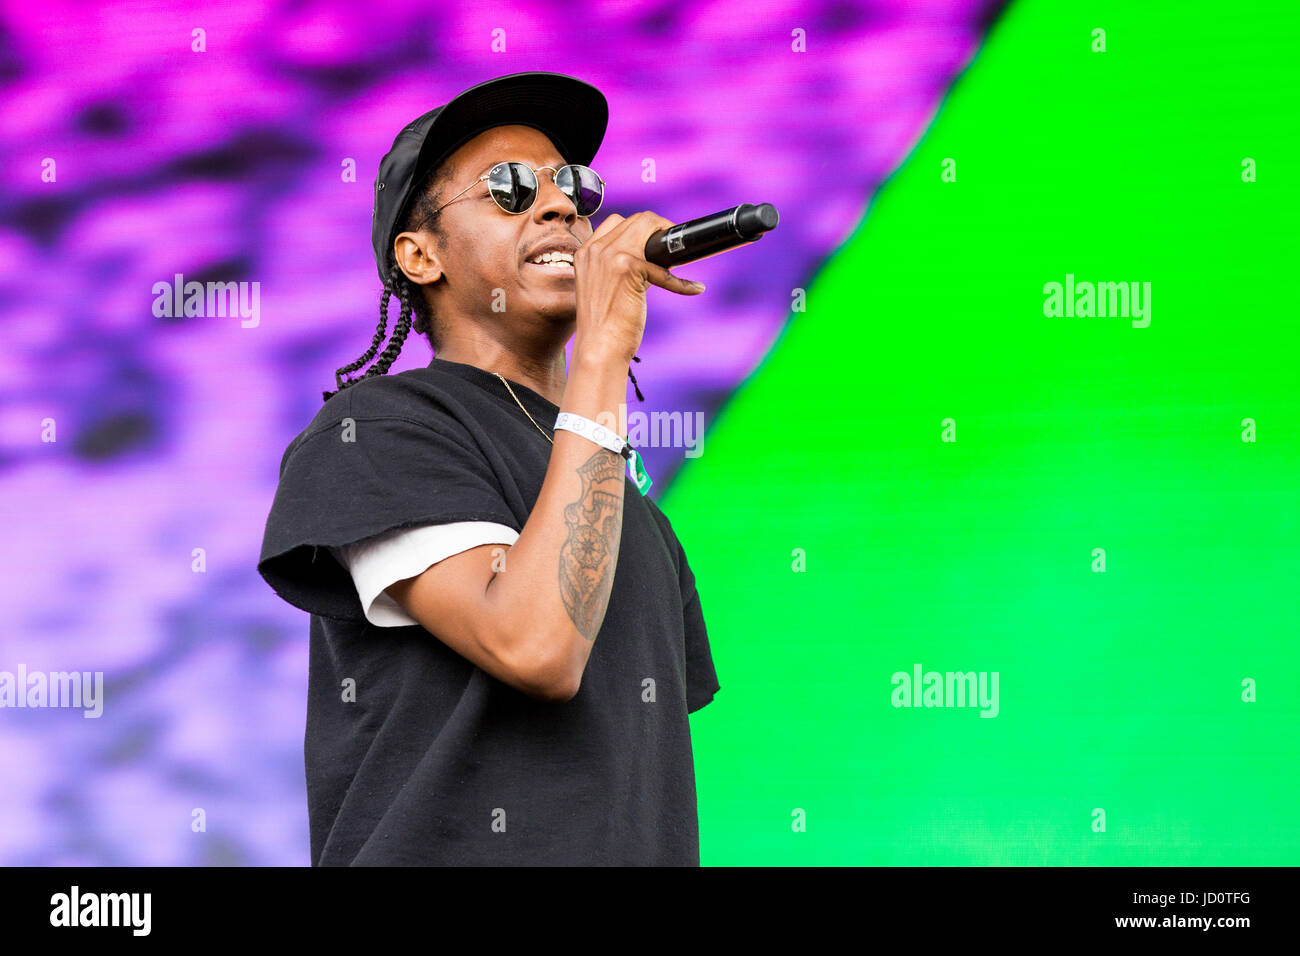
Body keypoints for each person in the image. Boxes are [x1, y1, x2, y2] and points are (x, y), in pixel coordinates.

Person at [257, 71, 721, 866]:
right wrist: (603, 357)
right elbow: (535, 648)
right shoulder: (379, 430)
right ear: (420, 255)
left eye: (575, 186)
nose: (560, 207)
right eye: (509, 188)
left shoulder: (628, 503)